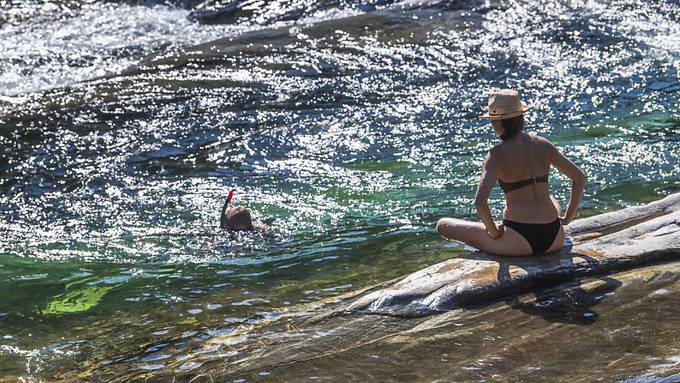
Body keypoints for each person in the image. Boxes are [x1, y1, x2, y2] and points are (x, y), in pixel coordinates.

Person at [436, 89, 586, 256]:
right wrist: (567, 219)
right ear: (521, 118)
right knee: (550, 199)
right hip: (555, 238)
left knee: (443, 225)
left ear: (498, 123)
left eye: (492, 121)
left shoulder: (497, 154)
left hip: (518, 241)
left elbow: (480, 202)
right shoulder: (543, 144)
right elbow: (579, 178)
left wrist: (493, 231)